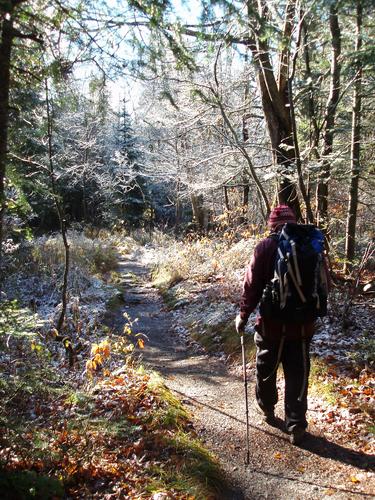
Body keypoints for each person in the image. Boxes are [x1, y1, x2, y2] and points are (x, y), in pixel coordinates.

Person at [235, 205, 328, 445]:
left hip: (271, 326)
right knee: (298, 373)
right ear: (293, 222)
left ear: (271, 225)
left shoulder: (265, 247)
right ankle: (296, 423)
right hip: (303, 327)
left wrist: (243, 315)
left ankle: (267, 408)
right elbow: (323, 283)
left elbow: (251, 285)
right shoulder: (310, 246)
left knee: (266, 369)